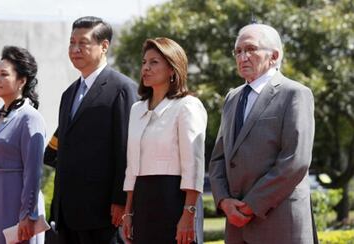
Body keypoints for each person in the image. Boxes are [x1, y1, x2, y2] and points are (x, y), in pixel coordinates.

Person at [208, 23, 315, 244]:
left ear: (274, 56)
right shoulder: (232, 97)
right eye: (238, 51)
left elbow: (295, 161)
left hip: (280, 223)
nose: (242, 57)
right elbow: (219, 157)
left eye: (250, 49)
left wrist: (251, 205)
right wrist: (224, 201)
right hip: (236, 224)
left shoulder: (295, 94)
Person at [49, 16, 137, 244]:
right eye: (71, 42)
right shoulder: (69, 94)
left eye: (83, 43)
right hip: (68, 214)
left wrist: (120, 200)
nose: (75, 49)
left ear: (104, 46)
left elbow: (126, 147)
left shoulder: (122, 89)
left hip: (103, 213)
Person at [122, 37, 207, 244]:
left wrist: (188, 214)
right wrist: (128, 212)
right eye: (144, 62)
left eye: (154, 62)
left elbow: (193, 165)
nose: (146, 68)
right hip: (142, 201)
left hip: (173, 198)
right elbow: (132, 166)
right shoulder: (137, 109)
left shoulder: (187, 106)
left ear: (172, 69)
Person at [0, 46, 46, 244]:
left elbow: (33, 171)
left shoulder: (30, 118)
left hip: (19, 207)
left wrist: (28, 214)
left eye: (4, 75)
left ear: (22, 81)